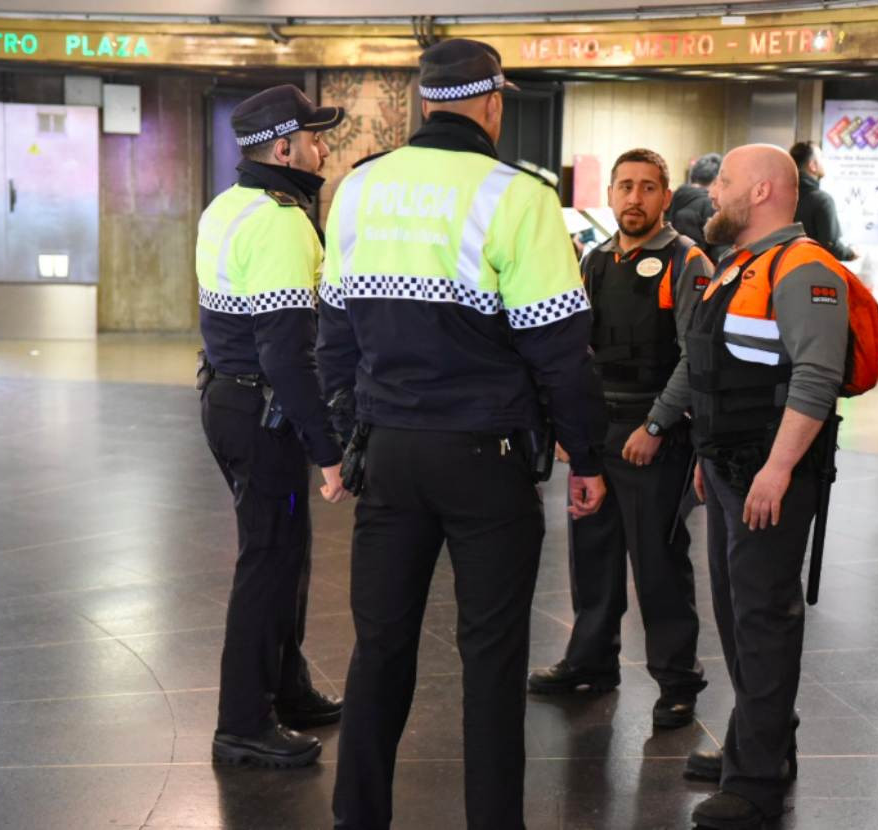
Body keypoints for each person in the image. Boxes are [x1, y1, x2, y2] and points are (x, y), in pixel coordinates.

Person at [317, 38, 608, 830]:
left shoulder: (360, 187)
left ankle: (358, 817)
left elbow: (333, 337)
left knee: (379, 649)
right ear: (492, 105)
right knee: (490, 657)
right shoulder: (517, 197)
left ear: (422, 104)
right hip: (488, 459)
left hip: (390, 451)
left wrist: (349, 439)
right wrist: (587, 456)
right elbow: (561, 352)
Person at [683, 144, 851, 830]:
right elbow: (709, 365)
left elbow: (815, 378)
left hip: (770, 475)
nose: (711, 193)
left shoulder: (808, 270)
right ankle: (763, 737)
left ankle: (754, 780)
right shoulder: (739, 265)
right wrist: (699, 445)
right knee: (736, 613)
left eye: (723, 182)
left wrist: (778, 469)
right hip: (727, 468)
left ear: (759, 192)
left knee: (763, 620)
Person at [527, 148, 710, 728]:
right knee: (592, 555)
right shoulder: (593, 261)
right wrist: (567, 426)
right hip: (596, 432)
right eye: (625, 187)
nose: (635, 198)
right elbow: (574, 352)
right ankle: (591, 663)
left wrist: (657, 425)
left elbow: (695, 358)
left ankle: (678, 681)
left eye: (648, 187)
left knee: (657, 563)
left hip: (654, 436)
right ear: (610, 194)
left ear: (665, 196)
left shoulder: (688, 262)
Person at [194, 85, 347, 769]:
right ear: (285, 147)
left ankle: (287, 689)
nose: (323, 150)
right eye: (316, 138)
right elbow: (286, 350)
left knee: (285, 550)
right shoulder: (283, 219)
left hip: (227, 402)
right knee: (269, 561)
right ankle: (243, 722)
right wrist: (328, 448)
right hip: (264, 413)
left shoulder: (228, 205)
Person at [789, 140, 857, 262]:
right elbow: (831, 246)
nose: (825, 162)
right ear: (813, 166)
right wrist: (850, 253)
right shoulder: (822, 200)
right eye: (821, 158)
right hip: (812, 273)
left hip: (781, 271)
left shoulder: (782, 198)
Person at [667, 152, 726, 261]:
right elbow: (720, 252)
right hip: (700, 272)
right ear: (716, 180)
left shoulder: (670, 200)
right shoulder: (710, 205)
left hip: (670, 270)